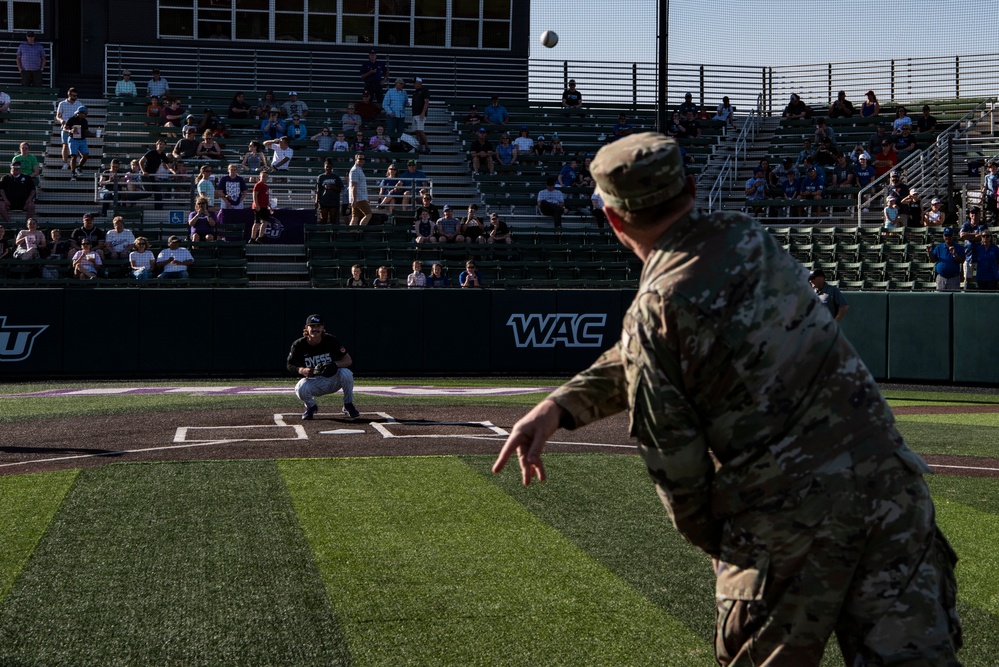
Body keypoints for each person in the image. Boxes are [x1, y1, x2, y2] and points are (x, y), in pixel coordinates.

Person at [494, 132, 963, 667]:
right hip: (892, 491)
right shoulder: (748, 236)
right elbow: (654, 346)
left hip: (783, 518)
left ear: (614, 221)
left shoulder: (657, 310)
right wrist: (562, 404)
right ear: (691, 188)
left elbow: (680, 476)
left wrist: (722, 546)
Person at [288, 313, 360, 421]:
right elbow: (289, 365)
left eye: (318, 326)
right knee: (300, 387)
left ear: (322, 328)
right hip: (314, 381)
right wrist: (302, 370)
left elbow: (348, 360)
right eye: (312, 326)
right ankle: (311, 407)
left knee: (346, 373)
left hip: (332, 379)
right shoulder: (299, 345)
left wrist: (335, 364)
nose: (315, 329)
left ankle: (348, 404)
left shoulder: (330, 340)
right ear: (306, 328)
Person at [926, 227, 964, 291]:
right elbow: (932, 260)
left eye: (949, 235)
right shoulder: (939, 247)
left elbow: (962, 260)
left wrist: (955, 254)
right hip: (941, 277)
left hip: (953, 278)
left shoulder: (958, 247)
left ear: (953, 236)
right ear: (943, 236)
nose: (948, 237)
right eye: (946, 235)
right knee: (940, 298)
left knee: (953, 297)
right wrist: (929, 253)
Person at [55, 88, 83, 171]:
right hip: (65, 127)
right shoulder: (62, 104)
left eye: (76, 95)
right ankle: (65, 163)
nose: (75, 97)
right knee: (65, 145)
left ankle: (77, 160)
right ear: (69, 95)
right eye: (74, 95)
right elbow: (58, 116)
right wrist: (61, 121)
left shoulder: (79, 103)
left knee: (76, 144)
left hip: (76, 127)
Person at [959, 207, 988, 286]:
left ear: (979, 214)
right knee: (967, 279)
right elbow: (962, 235)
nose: (974, 215)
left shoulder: (983, 225)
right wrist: (975, 235)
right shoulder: (966, 224)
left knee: (982, 278)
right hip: (968, 256)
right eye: (972, 213)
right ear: (969, 215)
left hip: (980, 256)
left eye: (976, 213)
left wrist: (969, 236)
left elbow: (982, 237)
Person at [315, 158, 343, 225]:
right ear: (324, 167)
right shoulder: (321, 177)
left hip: (333, 202)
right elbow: (318, 190)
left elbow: (339, 190)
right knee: (323, 219)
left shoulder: (336, 177)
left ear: (332, 167)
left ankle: (333, 234)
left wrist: (332, 187)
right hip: (323, 202)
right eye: (327, 167)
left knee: (333, 220)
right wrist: (316, 201)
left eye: (329, 167)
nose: (328, 168)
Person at [348, 153, 372, 226]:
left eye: (363, 159)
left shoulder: (359, 169)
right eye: (360, 159)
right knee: (368, 214)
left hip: (360, 197)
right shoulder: (354, 170)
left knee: (355, 218)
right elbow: (353, 186)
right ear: (356, 160)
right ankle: (360, 231)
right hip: (359, 198)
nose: (362, 160)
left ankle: (351, 234)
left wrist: (366, 198)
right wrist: (354, 200)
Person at [249, 171, 272, 243]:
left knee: (265, 222)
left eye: (266, 177)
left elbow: (266, 197)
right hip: (259, 206)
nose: (265, 178)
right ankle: (252, 238)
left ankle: (260, 237)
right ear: (260, 177)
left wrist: (269, 206)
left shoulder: (266, 187)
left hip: (264, 206)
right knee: (257, 222)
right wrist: (256, 204)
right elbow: (255, 195)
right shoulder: (258, 185)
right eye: (263, 176)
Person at [411, 77, 431, 154]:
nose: (414, 84)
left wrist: (423, 113)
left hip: (420, 114)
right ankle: (419, 148)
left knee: (420, 130)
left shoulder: (424, 90)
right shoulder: (415, 92)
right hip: (414, 114)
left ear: (419, 83)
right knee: (417, 131)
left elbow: (426, 102)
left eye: (415, 83)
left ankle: (427, 147)